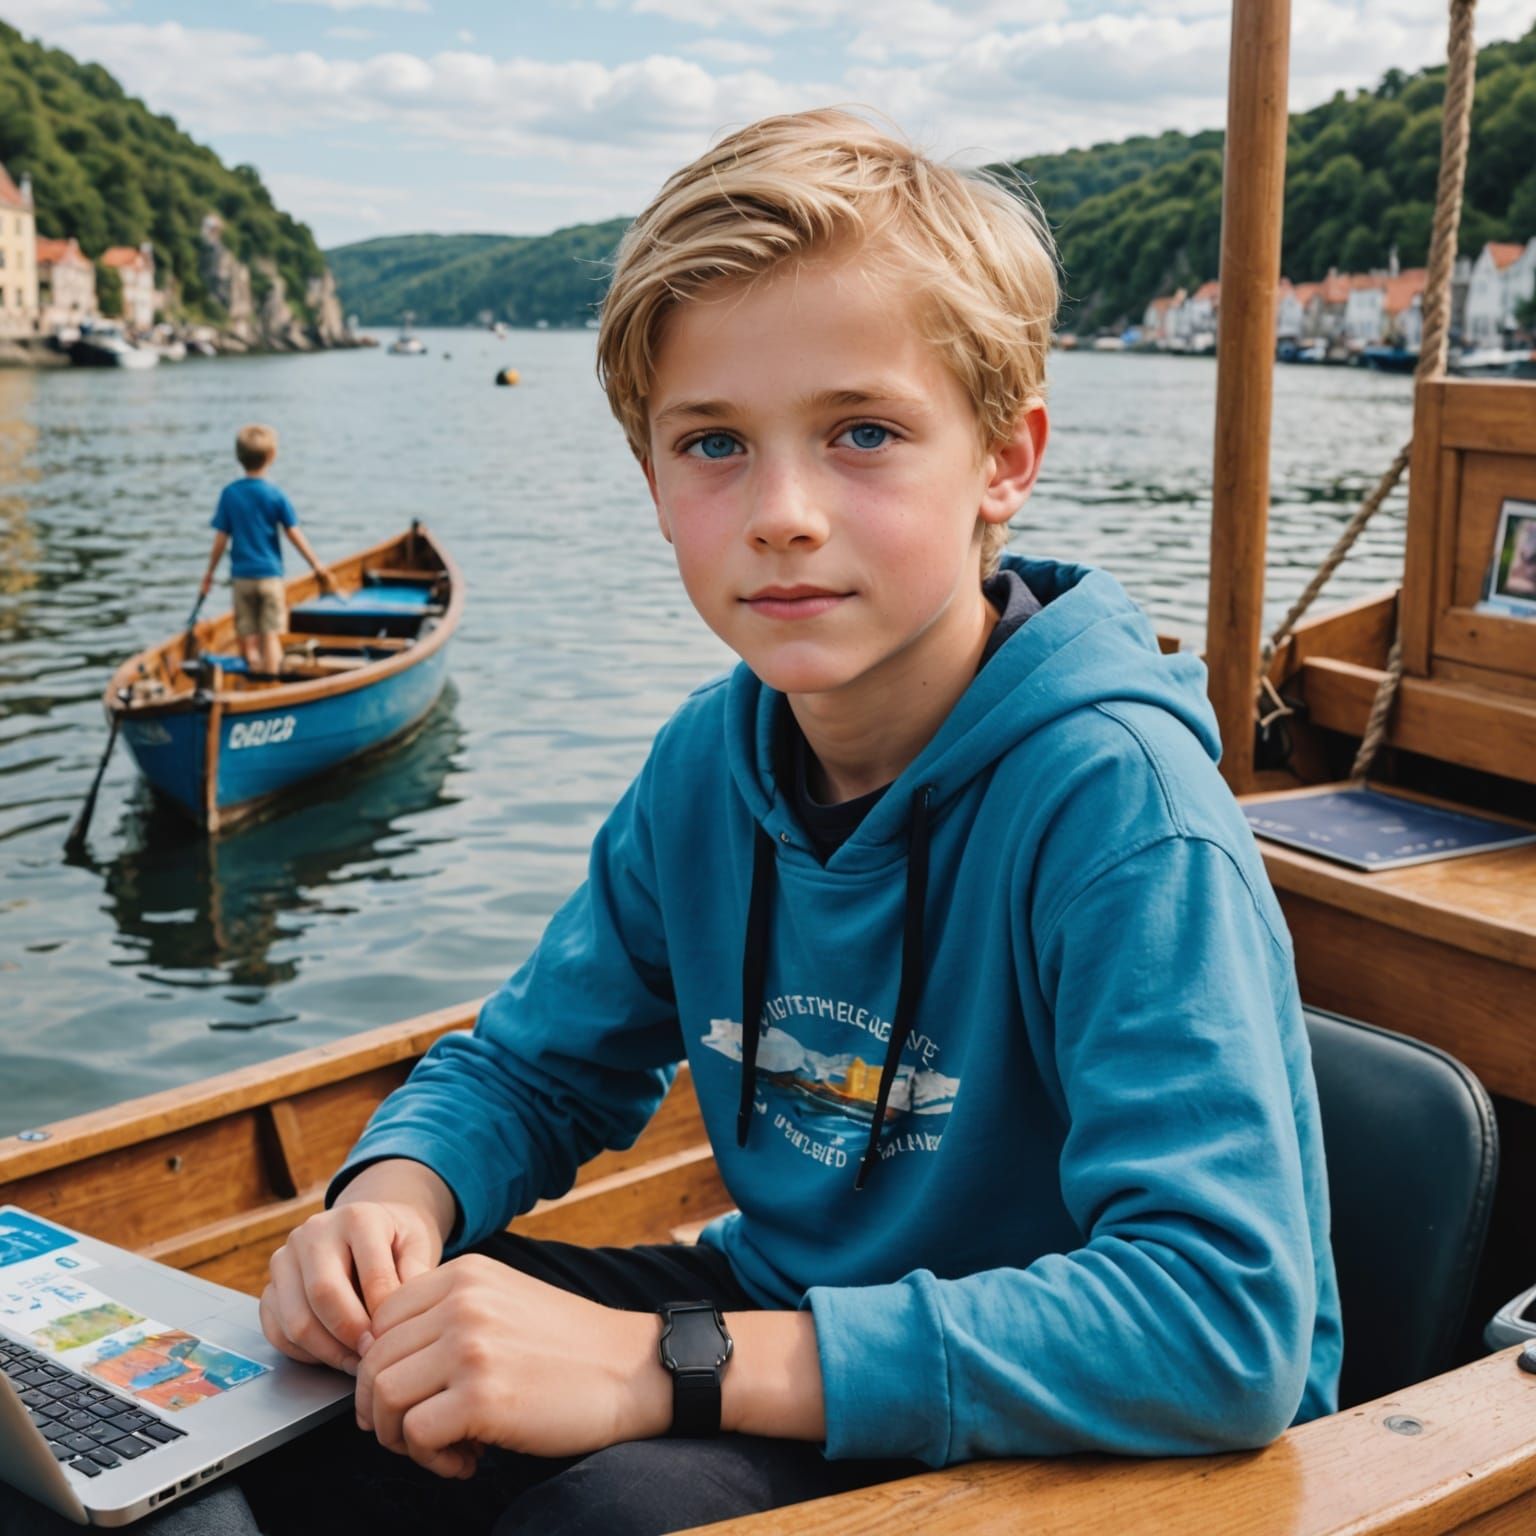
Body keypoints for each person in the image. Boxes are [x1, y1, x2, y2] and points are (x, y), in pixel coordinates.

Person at [0, 109, 1342, 1536]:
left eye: (865, 433)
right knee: (308, 1399)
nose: (782, 512)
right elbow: (534, 1071)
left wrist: (668, 1368)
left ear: (1006, 461)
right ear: (651, 480)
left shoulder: (1120, 810)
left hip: (1102, 1437)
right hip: (792, 1317)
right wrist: (392, 1199)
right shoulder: (713, 761)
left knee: (617, 1517)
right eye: (713, 443)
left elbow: (1224, 1320)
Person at [200, 424, 337, 675]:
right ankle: (271, 681)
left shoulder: (230, 494)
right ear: (272, 456)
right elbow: (293, 533)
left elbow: (220, 539)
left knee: (245, 634)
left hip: (241, 579)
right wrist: (315, 564)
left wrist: (208, 575)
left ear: (238, 457)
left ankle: (253, 674)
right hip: (269, 577)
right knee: (270, 636)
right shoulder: (275, 495)